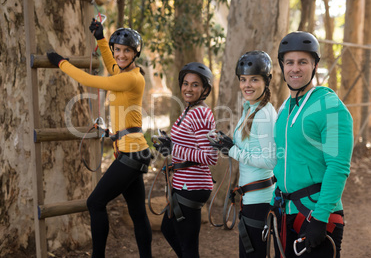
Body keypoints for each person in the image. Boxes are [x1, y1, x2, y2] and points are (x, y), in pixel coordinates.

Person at [46, 19, 152, 258]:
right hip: (133, 152)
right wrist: (102, 40)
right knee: (137, 214)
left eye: (127, 50)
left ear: (136, 53)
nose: (120, 54)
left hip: (131, 154)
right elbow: (111, 65)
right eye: (118, 50)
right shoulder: (123, 73)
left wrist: (61, 62)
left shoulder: (132, 78)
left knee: (95, 203)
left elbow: (90, 81)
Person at [272, 31, 353, 258]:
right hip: (285, 214)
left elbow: (338, 166)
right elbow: (283, 161)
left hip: (317, 215)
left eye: (302, 62)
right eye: (289, 62)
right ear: (282, 66)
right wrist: (272, 202)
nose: (295, 68)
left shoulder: (331, 106)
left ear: (315, 65)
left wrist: (320, 217)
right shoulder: (284, 109)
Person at [209, 51, 278, 257]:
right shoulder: (251, 108)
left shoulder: (264, 113)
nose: (247, 85)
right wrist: (227, 141)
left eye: (254, 79)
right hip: (251, 198)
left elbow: (270, 159)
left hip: (260, 199)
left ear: (266, 81)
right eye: (243, 79)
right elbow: (251, 145)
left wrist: (232, 150)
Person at [153, 62, 218, 258]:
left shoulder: (200, 113)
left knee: (188, 247)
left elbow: (210, 156)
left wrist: (174, 148)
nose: (189, 88)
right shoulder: (189, 109)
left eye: (195, 84)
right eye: (186, 83)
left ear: (205, 89)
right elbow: (190, 145)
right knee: (169, 229)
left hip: (193, 186)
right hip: (184, 184)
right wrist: (169, 142)